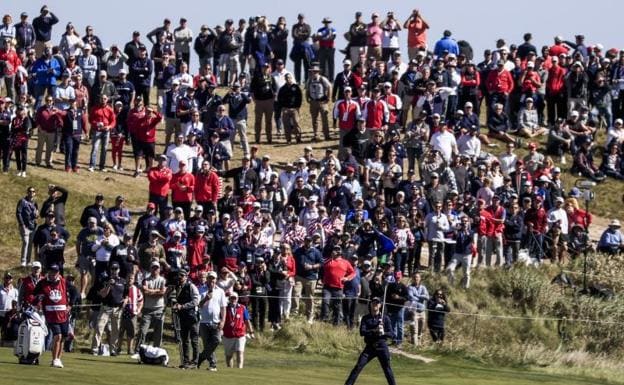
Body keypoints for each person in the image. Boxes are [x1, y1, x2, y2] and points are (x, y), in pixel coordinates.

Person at [344, 297, 396, 385]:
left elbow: (392, 334)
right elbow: (362, 332)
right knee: (358, 366)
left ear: (380, 305)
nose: (375, 304)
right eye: (373, 303)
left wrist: (383, 332)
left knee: (387, 369)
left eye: (377, 303)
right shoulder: (365, 318)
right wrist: (374, 330)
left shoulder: (385, 318)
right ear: (371, 304)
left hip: (382, 346)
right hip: (370, 347)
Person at [34, 264, 69, 368]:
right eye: (51, 272)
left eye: (55, 272)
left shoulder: (63, 281)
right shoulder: (42, 283)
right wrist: (38, 299)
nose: (53, 274)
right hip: (51, 315)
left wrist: (70, 305)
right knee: (57, 336)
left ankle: (58, 358)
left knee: (63, 337)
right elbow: (34, 295)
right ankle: (54, 360)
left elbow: (74, 292)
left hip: (63, 315)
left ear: (58, 273)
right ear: (48, 272)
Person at [132, 260, 167, 358]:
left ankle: (157, 352)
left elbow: (162, 293)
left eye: (157, 268)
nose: (155, 269)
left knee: (158, 333)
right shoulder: (146, 280)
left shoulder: (163, 280)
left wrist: (151, 292)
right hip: (147, 309)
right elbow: (145, 292)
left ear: (159, 269)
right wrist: (156, 292)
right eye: (153, 268)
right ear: (150, 269)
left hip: (159, 309)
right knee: (143, 331)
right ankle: (138, 351)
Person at [92, 263, 127, 356]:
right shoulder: (104, 280)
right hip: (106, 307)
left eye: (116, 269)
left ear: (119, 270)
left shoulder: (123, 281)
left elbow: (126, 295)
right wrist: (108, 285)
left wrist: (125, 301)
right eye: (112, 269)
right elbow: (103, 294)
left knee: (115, 330)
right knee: (99, 327)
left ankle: (113, 350)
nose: (114, 271)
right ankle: (95, 349)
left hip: (117, 309)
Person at [197, 270, 227, 371]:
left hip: (216, 321)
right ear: (207, 279)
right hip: (203, 321)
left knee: (216, 340)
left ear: (216, 279)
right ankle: (212, 364)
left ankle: (200, 358)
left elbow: (223, 308)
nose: (211, 280)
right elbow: (198, 305)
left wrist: (223, 321)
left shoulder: (220, 291)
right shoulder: (201, 289)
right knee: (207, 344)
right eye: (210, 278)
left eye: (213, 278)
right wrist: (205, 298)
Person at [173, 269, 200, 369]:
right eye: (179, 275)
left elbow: (196, 301)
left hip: (192, 317)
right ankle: (186, 361)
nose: (180, 277)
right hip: (183, 316)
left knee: (194, 340)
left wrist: (183, 306)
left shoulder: (191, 286)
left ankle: (195, 361)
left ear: (186, 276)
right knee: (185, 340)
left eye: (182, 276)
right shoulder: (177, 287)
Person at [221, 291, 254, 368]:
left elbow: (247, 320)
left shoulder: (242, 308)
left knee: (240, 352)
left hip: (240, 334)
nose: (233, 300)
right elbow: (221, 320)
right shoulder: (225, 308)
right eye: (231, 298)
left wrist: (251, 332)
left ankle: (239, 369)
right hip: (228, 334)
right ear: (229, 299)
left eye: (234, 298)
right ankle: (230, 369)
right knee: (229, 355)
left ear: (237, 299)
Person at [88, 94, 116, 172]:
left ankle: (102, 166)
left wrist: (109, 127)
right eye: (102, 98)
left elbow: (113, 121)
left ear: (107, 100)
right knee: (95, 148)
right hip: (97, 130)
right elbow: (90, 119)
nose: (103, 100)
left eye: (104, 99)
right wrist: (96, 124)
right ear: (100, 99)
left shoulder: (110, 109)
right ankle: (92, 165)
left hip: (106, 131)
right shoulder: (95, 108)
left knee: (104, 149)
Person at [16, 186, 39, 267]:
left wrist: (37, 215)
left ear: (35, 193)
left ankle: (28, 261)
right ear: (27, 192)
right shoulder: (22, 201)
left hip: (33, 226)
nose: (31, 193)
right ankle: (23, 261)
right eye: (30, 191)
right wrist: (21, 224)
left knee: (30, 244)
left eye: (33, 191)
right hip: (24, 226)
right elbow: (18, 213)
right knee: (25, 242)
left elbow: (37, 213)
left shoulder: (35, 202)